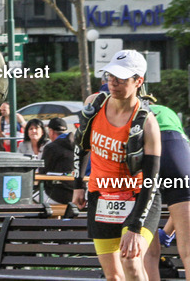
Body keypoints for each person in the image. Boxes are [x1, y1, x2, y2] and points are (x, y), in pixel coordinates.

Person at [72, 50, 162, 281]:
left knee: (131, 262)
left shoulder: (147, 123)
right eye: (110, 76)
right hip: (101, 196)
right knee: (113, 276)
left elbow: (151, 180)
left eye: (121, 78)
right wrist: (78, 185)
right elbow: (81, 145)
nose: (113, 82)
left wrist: (135, 226)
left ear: (138, 81)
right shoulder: (94, 104)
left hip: (138, 198)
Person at [143, 101, 190, 281]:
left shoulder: (120, 112)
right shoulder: (167, 112)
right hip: (176, 146)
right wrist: (168, 232)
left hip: (142, 147)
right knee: (188, 251)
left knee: (149, 252)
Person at [38, 118, 75, 205]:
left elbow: (42, 171)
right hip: (80, 193)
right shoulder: (79, 144)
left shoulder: (51, 147)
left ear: (51, 131)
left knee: (32, 199)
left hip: (58, 194)